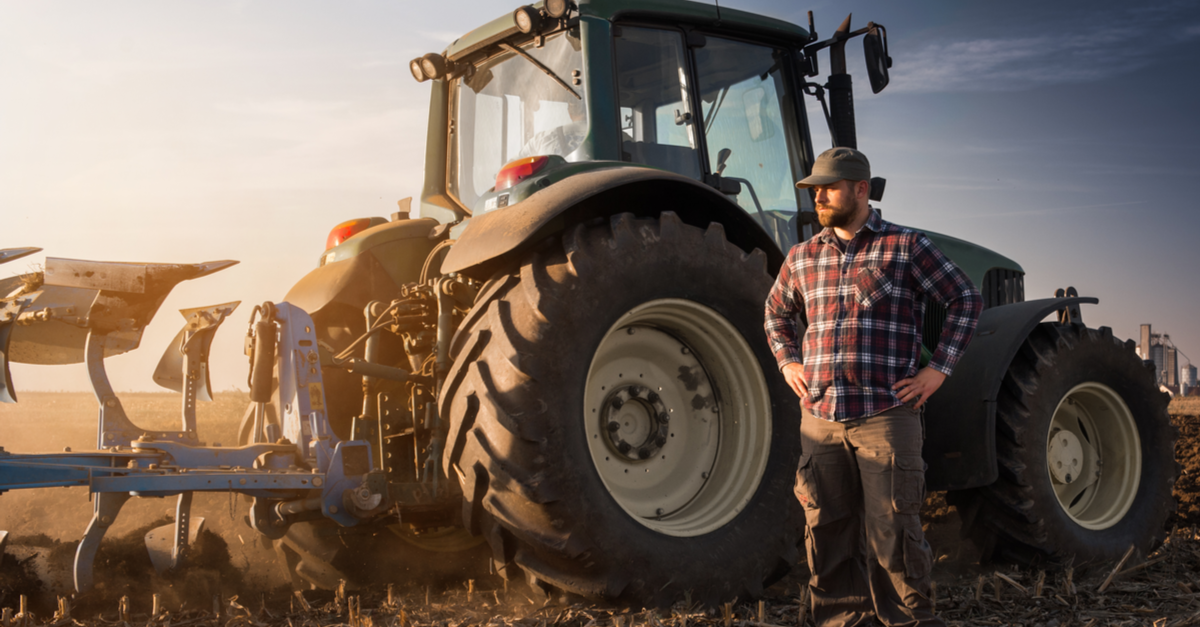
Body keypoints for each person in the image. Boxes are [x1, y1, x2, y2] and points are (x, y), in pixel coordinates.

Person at [764, 147, 982, 626]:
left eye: (829, 187)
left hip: (885, 415)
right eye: (814, 189)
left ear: (860, 189)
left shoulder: (905, 246)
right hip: (820, 421)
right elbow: (775, 313)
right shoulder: (802, 256)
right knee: (829, 533)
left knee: (895, 534)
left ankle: (909, 621)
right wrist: (788, 363)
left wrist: (938, 370)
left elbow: (965, 298)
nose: (818, 196)